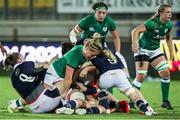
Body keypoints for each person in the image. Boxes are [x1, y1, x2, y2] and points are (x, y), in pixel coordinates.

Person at [80, 50, 156, 116]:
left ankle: (105, 109)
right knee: (134, 96)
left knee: (100, 91)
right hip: (120, 75)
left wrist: (85, 69)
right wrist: (127, 78)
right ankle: (146, 110)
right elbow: (124, 68)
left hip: (106, 77)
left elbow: (86, 65)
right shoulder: (114, 55)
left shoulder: (94, 57)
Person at [131, 4, 174, 110]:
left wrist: (171, 52)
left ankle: (165, 101)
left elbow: (168, 38)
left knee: (166, 73)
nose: (170, 14)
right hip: (143, 49)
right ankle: (132, 101)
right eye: (167, 12)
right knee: (141, 76)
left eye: (171, 12)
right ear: (161, 13)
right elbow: (135, 31)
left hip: (155, 50)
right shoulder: (152, 24)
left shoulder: (168, 25)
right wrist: (134, 44)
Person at [43, 33, 103, 98]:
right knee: (50, 97)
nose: (93, 57)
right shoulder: (76, 55)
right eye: (92, 55)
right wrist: (65, 93)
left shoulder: (83, 52)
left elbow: (77, 69)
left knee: (59, 97)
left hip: (62, 75)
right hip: (54, 73)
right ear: (87, 49)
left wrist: (72, 84)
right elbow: (68, 77)